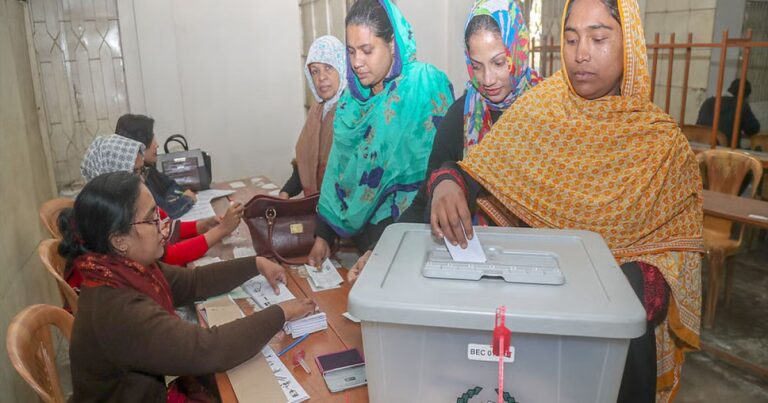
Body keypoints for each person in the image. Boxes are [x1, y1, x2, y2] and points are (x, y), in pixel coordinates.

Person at [428, 0, 703, 401]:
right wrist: (449, 181)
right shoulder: (539, 110)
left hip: (617, 338)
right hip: (538, 317)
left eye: (598, 38)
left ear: (629, 43)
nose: (581, 54)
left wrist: (636, 285)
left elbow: (679, 251)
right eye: (571, 39)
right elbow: (483, 171)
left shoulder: (662, 143)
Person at [60, 171, 315, 401]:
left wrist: (255, 264)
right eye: (151, 220)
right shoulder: (117, 308)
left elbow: (194, 281)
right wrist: (283, 312)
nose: (163, 226)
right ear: (119, 240)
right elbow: (209, 349)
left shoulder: (124, 269)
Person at [348, 0, 542, 282]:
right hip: (475, 270)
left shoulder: (548, 113)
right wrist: (379, 251)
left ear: (519, 51)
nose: (488, 79)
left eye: (499, 62)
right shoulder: (461, 117)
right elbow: (424, 200)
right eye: (476, 66)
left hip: (534, 269)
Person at [307, 0, 454, 266]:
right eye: (351, 52)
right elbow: (339, 171)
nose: (356, 62)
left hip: (413, 236)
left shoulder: (425, 86)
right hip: (365, 242)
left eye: (366, 50)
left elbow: (440, 173)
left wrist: (381, 249)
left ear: (392, 44)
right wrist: (323, 235)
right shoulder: (350, 103)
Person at [79, 134, 241, 269]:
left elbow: (165, 224)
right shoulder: (113, 221)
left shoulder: (130, 204)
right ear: (112, 176)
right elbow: (169, 256)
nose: (142, 178)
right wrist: (222, 230)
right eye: (135, 172)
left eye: (142, 170)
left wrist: (201, 226)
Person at [279, 35, 347, 199]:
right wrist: (285, 193)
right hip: (316, 206)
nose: (321, 77)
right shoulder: (317, 109)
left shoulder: (352, 111)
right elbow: (305, 163)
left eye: (328, 68)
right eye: (315, 71)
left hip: (341, 213)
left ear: (342, 66)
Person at [115, 113, 198, 218]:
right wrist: (186, 199)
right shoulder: (132, 180)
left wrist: (171, 199)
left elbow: (170, 185)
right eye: (151, 138)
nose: (157, 145)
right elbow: (164, 213)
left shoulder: (147, 168)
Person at [696, 78, 761, 148]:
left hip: (701, 149)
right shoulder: (741, 105)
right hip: (726, 153)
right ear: (745, 97)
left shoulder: (708, 102)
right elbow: (753, 129)